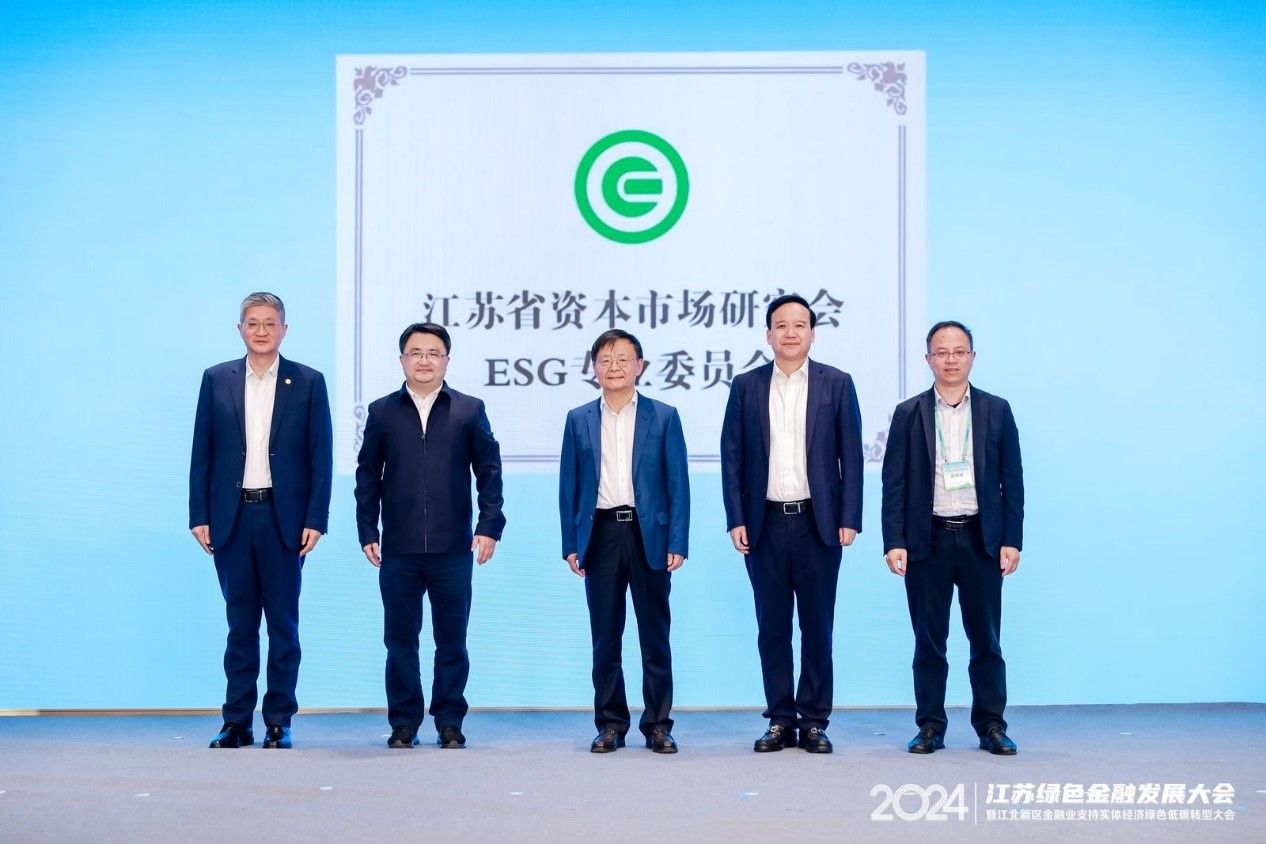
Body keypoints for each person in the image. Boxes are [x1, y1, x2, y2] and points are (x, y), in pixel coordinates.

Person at [189, 291, 333, 750]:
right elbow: (202, 451)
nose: (261, 331)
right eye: (252, 323)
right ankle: (236, 722)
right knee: (240, 625)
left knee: (283, 627)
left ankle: (278, 721)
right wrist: (199, 514)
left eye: (270, 323)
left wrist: (316, 517)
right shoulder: (217, 379)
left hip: (283, 520)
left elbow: (321, 457)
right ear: (240, 329)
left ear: (284, 329)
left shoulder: (308, 382)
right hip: (230, 518)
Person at [720, 293, 863, 754]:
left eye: (799, 325)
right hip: (763, 524)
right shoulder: (746, 386)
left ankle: (815, 721)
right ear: (768, 335)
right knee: (773, 627)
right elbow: (732, 457)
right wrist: (736, 517)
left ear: (812, 334)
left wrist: (849, 516)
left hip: (819, 525)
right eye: (781, 325)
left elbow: (852, 457)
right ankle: (780, 719)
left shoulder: (836, 384)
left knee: (818, 627)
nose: (790, 333)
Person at [355, 322, 505, 750]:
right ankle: (404, 722)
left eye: (433, 353)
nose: (424, 360)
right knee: (400, 641)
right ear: (402, 359)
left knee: (452, 642)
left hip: (452, 547)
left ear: (447, 360)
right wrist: (367, 528)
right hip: (398, 548)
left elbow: (489, 471)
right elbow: (367, 475)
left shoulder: (468, 409)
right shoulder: (382, 411)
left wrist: (488, 526)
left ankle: (449, 721)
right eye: (416, 352)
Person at [880, 320, 1024, 755]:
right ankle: (930, 727)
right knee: (929, 642)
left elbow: (1013, 481)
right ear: (928, 359)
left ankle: (991, 726)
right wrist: (894, 541)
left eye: (959, 351)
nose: (951, 360)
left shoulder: (997, 410)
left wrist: (1012, 539)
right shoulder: (909, 413)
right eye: (941, 352)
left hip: (982, 540)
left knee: (987, 641)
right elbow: (894, 483)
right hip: (928, 541)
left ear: (972, 357)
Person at [559, 329, 690, 754]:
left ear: (640, 366)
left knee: (655, 637)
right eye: (605, 360)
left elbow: (678, 483)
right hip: (599, 534)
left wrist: (677, 540)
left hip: (648, 534)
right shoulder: (578, 419)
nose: (614, 367)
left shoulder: (663, 416)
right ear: (594, 368)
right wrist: (571, 542)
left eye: (622, 359)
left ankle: (658, 725)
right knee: (605, 638)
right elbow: (568, 486)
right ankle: (611, 724)